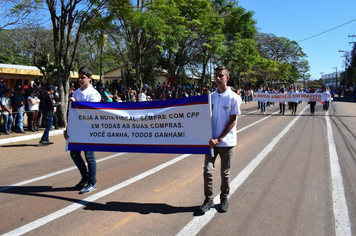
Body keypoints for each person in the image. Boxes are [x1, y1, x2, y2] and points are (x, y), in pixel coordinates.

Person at [199, 66, 241, 213]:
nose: (217, 78)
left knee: (225, 172)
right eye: (216, 76)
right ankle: (208, 199)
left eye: (221, 76)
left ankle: (224, 198)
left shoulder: (234, 97)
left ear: (227, 78)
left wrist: (220, 138)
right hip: (211, 143)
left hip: (226, 142)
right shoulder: (211, 97)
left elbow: (232, 121)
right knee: (208, 170)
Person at [64, 66, 101, 194]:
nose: (80, 79)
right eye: (79, 77)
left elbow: (92, 113)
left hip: (89, 129)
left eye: (83, 77)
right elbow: (72, 114)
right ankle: (85, 178)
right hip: (77, 129)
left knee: (89, 156)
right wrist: (67, 128)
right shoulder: (76, 93)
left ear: (90, 78)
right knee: (74, 153)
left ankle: (92, 182)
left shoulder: (94, 94)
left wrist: (76, 104)